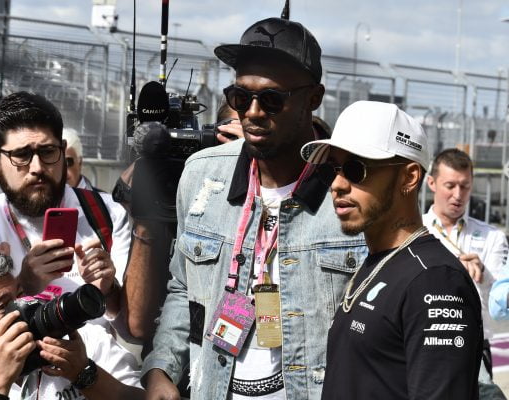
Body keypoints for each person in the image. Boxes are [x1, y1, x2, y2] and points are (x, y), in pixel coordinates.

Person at [142, 17, 367, 400]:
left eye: (273, 98)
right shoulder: (201, 175)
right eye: (240, 97)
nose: (253, 112)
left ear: (313, 99)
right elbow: (182, 288)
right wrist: (162, 367)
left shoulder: (352, 191)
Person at [302, 100, 482, 399]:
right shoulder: (379, 259)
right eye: (331, 169)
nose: (337, 184)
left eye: (355, 169)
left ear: (409, 177)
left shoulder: (434, 279)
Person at [0, 92, 131, 318]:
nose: (37, 168)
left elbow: (131, 330)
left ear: (62, 150)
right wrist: (22, 285)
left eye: (48, 151)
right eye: (21, 155)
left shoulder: (109, 213)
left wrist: (109, 290)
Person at [0, 248, 144, 399]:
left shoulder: (80, 341)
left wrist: (86, 375)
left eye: (19, 294)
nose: (23, 307)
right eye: (2, 306)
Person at [422, 148, 508, 398]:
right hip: (424, 341)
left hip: (474, 345)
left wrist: (484, 274)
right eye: (450, 185)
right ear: (431, 183)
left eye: (465, 186)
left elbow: (499, 309)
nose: (458, 195)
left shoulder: (493, 236)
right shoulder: (414, 231)